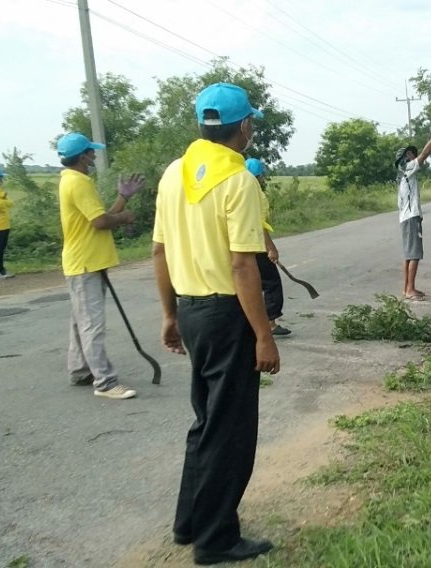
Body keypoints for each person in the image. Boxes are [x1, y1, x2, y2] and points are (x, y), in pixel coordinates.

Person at [152, 82, 280, 565]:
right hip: (227, 317)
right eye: (251, 124)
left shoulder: (172, 175)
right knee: (229, 430)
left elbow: (159, 251)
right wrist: (264, 335)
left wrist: (169, 314)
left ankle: (189, 522)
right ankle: (216, 538)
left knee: (206, 421)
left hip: (189, 309)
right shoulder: (238, 182)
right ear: (244, 127)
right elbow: (243, 267)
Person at [56, 131, 145, 399]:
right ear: (83, 156)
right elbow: (101, 222)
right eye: (91, 152)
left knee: (80, 321)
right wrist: (126, 216)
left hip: (84, 260)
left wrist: (123, 198)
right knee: (91, 325)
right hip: (85, 261)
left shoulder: (72, 180)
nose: (94, 155)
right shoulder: (79, 183)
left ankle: (80, 370)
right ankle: (105, 382)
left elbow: (98, 216)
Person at [395, 122, 431, 301]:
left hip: (405, 218)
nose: (413, 154)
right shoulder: (408, 168)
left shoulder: (402, 175)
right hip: (411, 217)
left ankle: (407, 288)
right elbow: (425, 153)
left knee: (409, 255)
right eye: (410, 153)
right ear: (405, 158)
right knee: (414, 254)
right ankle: (410, 290)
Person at [245, 157, 291, 337]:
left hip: (240, 247)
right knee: (271, 283)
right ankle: (270, 324)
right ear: (259, 176)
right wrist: (271, 248)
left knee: (249, 284)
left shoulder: (238, 189)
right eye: (261, 174)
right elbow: (257, 223)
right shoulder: (255, 192)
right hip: (255, 246)